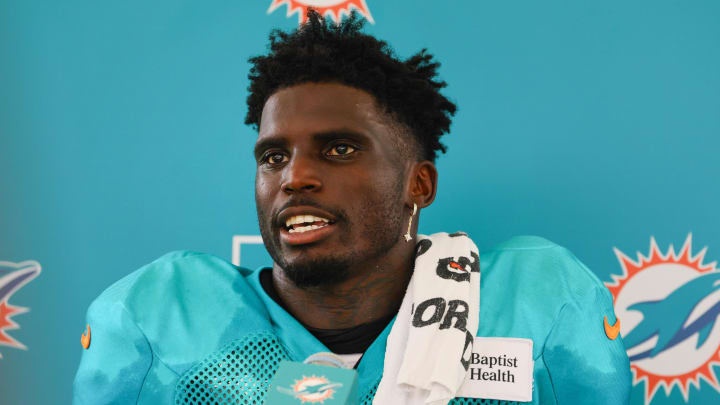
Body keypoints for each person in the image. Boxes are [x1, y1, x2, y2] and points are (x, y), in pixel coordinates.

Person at [72, 11, 631, 405]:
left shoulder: (537, 305)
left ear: (420, 184)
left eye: (339, 149)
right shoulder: (161, 318)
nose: (295, 177)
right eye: (273, 156)